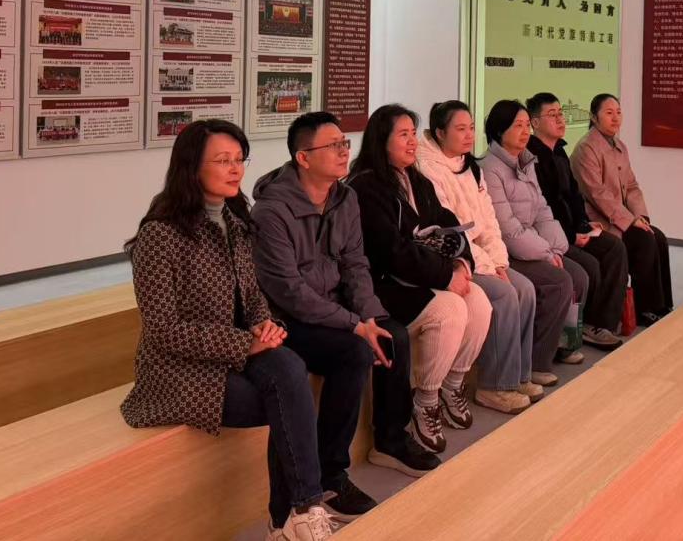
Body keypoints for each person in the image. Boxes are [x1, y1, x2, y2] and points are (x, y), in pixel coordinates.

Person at [122, 120, 339, 541]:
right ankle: (292, 517)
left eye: (240, 159)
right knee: (286, 401)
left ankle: (301, 512)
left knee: (291, 370)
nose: (235, 169)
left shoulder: (236, 221)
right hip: (180, 370)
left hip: (237, 353)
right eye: (223, 160)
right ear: (191, 167)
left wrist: (265, 325)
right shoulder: (159, 236)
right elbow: (163, 330)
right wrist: (245, 342)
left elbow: (252, 294)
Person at [250, 112, 440, 497]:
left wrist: (370, 314)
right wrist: (353, 324)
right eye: (333, 145)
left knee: (391, 335)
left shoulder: (345, 197)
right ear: (303, 158)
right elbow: (290, 291)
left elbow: (355, 264)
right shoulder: (271, 211)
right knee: (354, 352)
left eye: (344, 143)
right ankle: (330, 474)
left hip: (335, 307)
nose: (343, 152)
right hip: (287, 319)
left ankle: (390, 440)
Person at [349, 105, 493, 456]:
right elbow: (391, 252)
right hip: (385, 286)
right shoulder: (366, 187)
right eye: (403, 135)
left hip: (421, 277)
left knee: (479, 301)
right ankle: (425, 399)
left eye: (414, 133)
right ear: (381, 140)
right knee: (450, 309)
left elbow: (450, 223)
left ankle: (452, 383)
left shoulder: (416, 179)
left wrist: (461, 264)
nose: (413, 141)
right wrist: (446, 277)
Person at [417, 101, 539, 413]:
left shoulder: (470, 166)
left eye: (471, 127)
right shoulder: (427, 169)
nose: (469, 135)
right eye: (460, 129)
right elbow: (454, 231)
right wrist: (486, 266)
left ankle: (518, 376)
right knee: (504, 294)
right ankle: (494, 386)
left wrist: (499, 262)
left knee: (525, 288)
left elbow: (488, 221)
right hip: (456, 259)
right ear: (440, 133)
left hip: (483, 255)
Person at [481, 99, 588, 383]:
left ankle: (562, 344)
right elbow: (508, 229)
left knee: (578, 275)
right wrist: (545, 253)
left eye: (527, 125)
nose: (525, 131)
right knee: (559, 281)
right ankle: (538, 362)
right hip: (507, 251)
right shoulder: (490, 168)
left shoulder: (526, 161)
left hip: (533, 244)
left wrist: (555, 248)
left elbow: (542, 209)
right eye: (518, 125)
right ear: (499, 130)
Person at [526, 92, 627, 350]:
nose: (561, 119)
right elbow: (545, 208)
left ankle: (602, 323)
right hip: (554, 236)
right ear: (534, 123)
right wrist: (572, 235)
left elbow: (574, 195)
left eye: (561, 113)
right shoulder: (531, 158)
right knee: (590, 265)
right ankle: (583, 327)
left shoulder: (560, 152)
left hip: (574, 230)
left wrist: (584, 223)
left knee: (615, 247)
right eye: (553, 115)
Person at [571, 94, 673, 326]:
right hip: (600, 220)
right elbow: (597, 194)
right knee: (644, 241)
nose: (615, 118)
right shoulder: (586, 148)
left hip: (622, 217)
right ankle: (645, 307)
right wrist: (629, 221)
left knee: (657, 237)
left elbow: (632, 186)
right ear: (593, 117)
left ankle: (661, 304)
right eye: (609, 113)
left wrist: (640, 217)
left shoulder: (620, 146)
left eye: (618, 112)